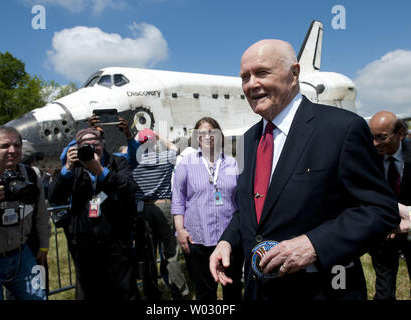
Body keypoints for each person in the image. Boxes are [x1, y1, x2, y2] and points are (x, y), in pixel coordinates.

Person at [208, 39, 400, 300]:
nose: (251, 84)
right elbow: (250, 210)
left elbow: (380, 211)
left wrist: (315, 245)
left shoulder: (341, 129)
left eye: (262, 73)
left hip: (323, 290)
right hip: (259, 292)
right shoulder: (247, 141)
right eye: (245, 77)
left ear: (294, 73)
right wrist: (227, 241)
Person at [48, 127, 139, 300]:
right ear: (77, 148)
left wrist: (101, 171)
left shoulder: (117, 162)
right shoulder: (75, 168)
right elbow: (54, 196)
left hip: (116, 237)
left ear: (103, 144)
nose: (91, 148)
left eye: (95, 144)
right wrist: (66, 169)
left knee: (124, 288)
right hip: (84, 239)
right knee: (91, 289)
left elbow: (128, 189)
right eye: (85, 145)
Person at [0, 126, 49, 300]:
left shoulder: (32, 174)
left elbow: (42, 214)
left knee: (38, 297)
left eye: (17, 145)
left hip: (22, 254)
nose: (13, 150)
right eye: (5, 146)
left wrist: (44, 246)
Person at [172, 117, 243, 300]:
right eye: (201, 133)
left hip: (230, 240)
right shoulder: (186, 164)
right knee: (205, 293)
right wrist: (180, 230)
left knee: (232, 290)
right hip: (197, 240)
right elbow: (178, 200)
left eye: (211, 132)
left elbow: (241, 201)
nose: (206, 136)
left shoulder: (233, 164)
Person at [131, 128, 190, 300]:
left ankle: (152, 294)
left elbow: (128, 150)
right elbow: (174, 148)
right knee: (171, 254)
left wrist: (136, 138)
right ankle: (180, 292)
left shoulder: (134, 162)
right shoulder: (164, 158)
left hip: (143, 208)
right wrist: (159, 136)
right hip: (165, 206)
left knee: (148, 254)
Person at [368, 111, 411, 300]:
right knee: (384, 291)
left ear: (401, 133)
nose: (375, 144)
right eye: (372, 137)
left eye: (381, 137)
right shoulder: (368, 159)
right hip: (384, 235)